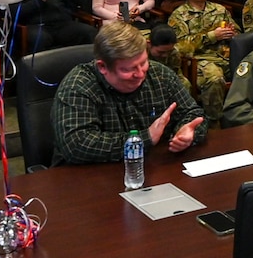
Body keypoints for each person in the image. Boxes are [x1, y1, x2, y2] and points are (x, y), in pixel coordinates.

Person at [50, 20, 205, 165]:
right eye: (129, 69)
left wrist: (188, 132)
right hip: (90, 177)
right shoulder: (78, 86)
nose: (140, 73)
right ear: (103, 67)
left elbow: (193, 113)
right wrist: (145, 138)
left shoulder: (160, 74)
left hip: (151, 169)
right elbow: (77, 145)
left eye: (143, 62)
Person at [168, 0, 236, 120]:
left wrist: (231, 33)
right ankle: (214, 121)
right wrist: (212, 36)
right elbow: (180, 46)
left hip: (225, 55)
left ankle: (239, 114)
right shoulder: (178, 16)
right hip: (200, 60)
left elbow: (237, 32)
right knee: (215, 78)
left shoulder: (219, 9)